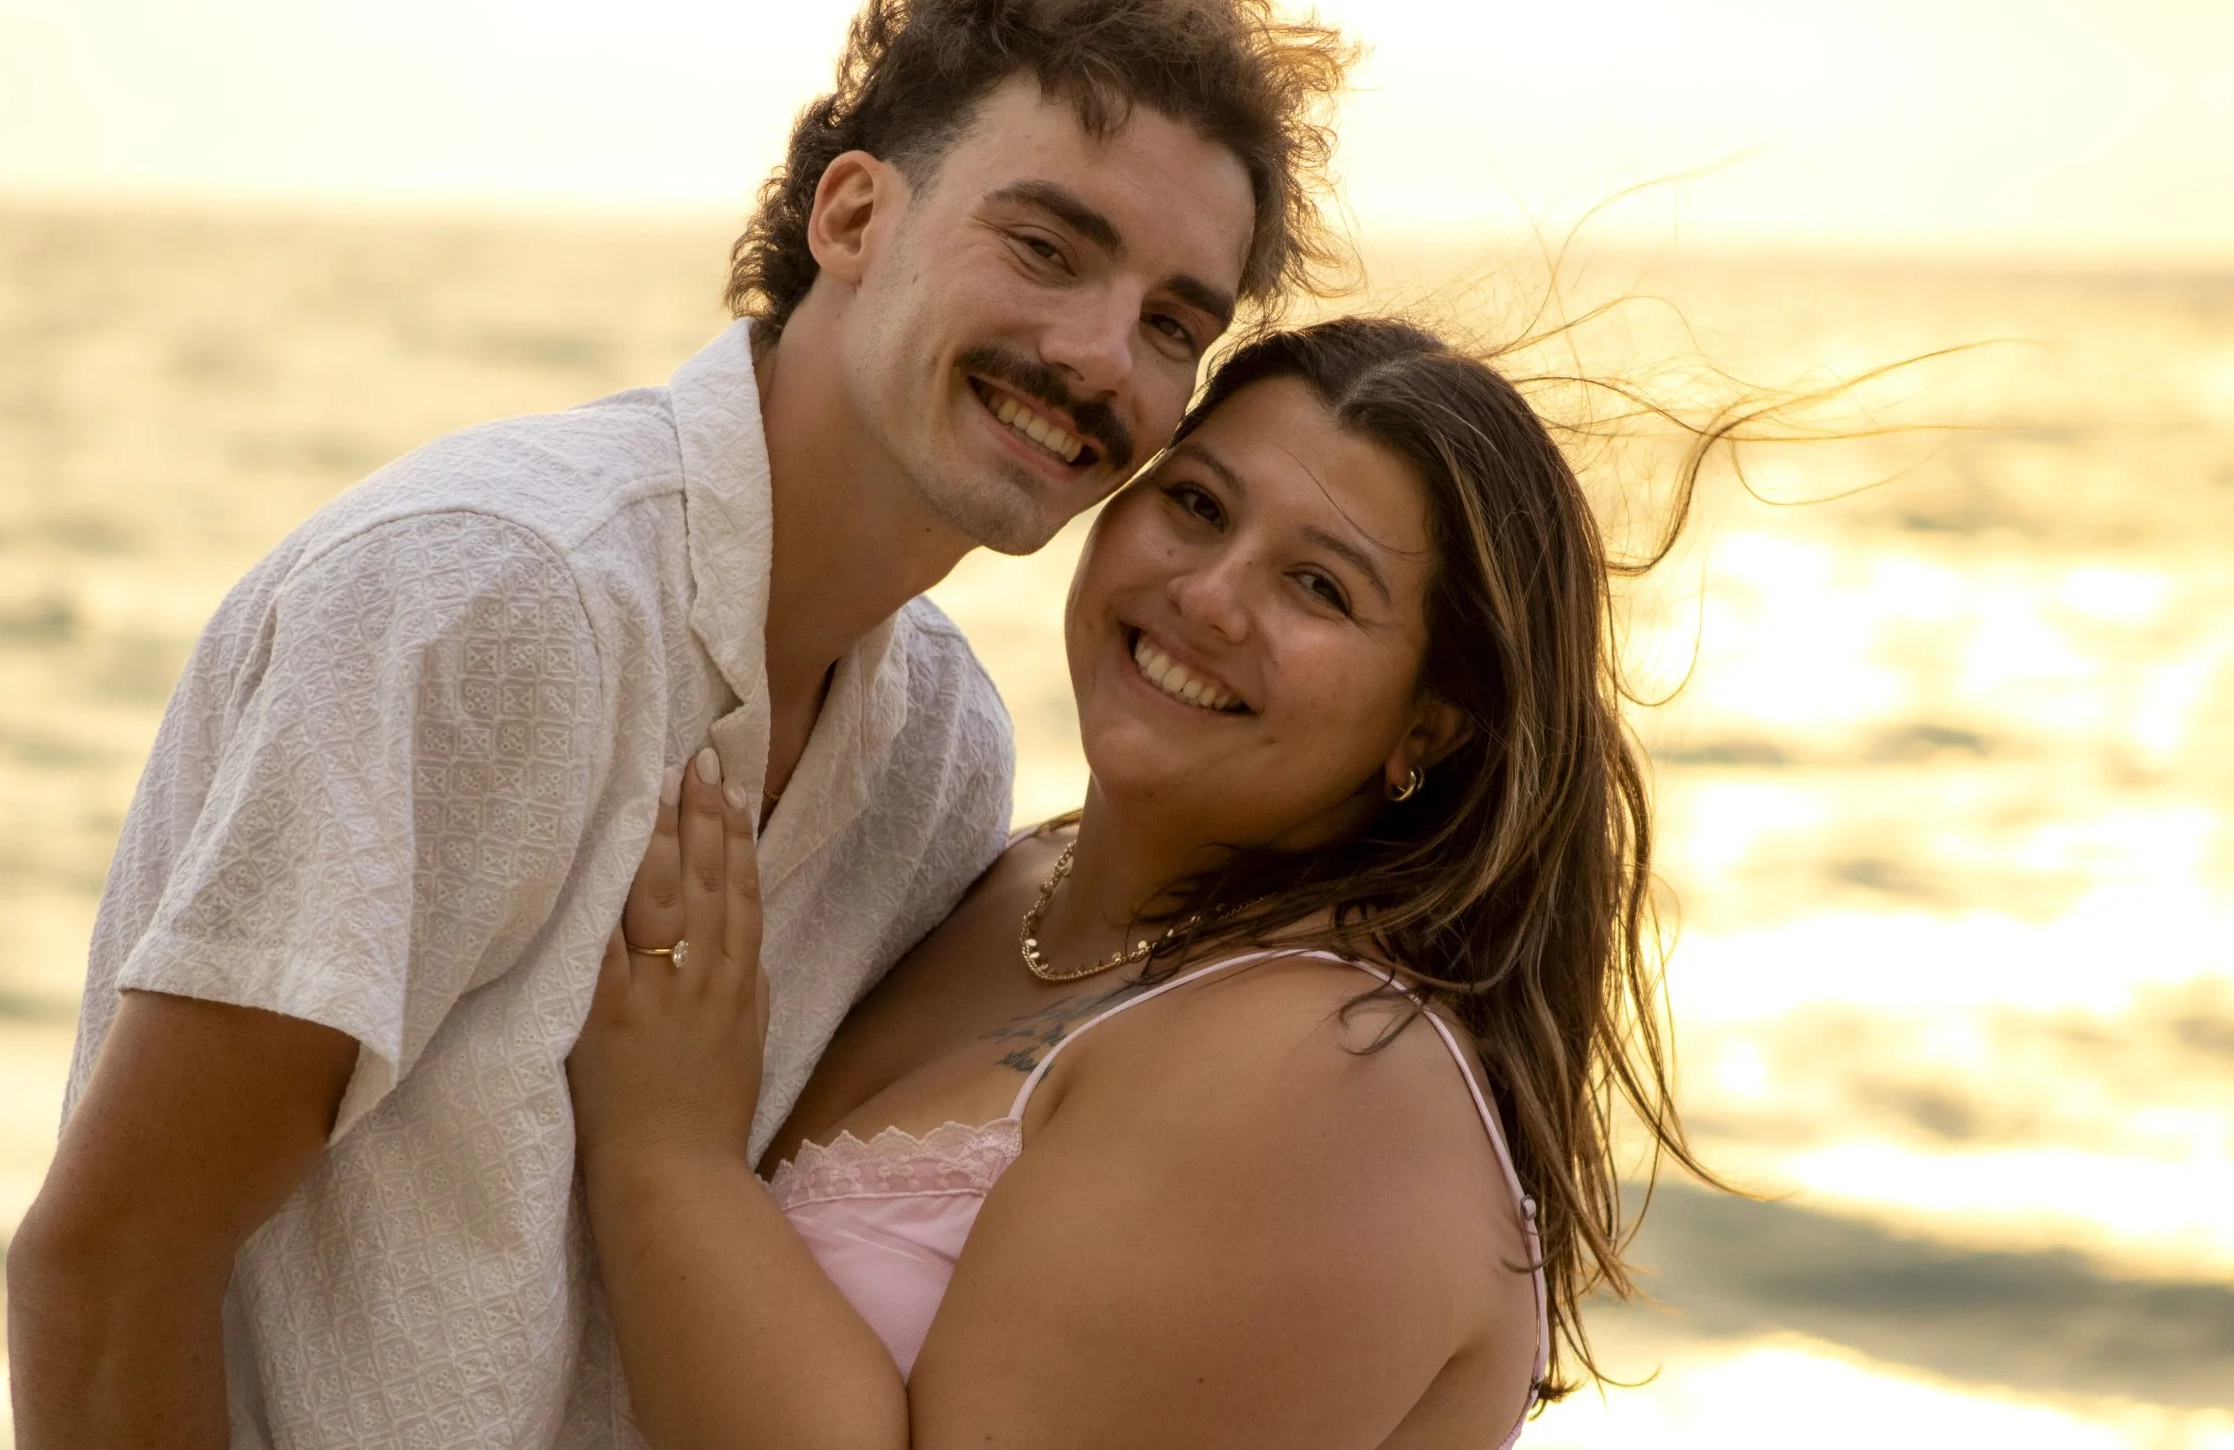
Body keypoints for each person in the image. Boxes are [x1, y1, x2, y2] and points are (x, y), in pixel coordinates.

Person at [6, 0, 1349, 1449]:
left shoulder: (940, 756)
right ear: (852, 219)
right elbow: (108, 1259)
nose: (1106, 356)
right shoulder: (504, 600)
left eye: (1175, 322)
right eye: (1047, 246)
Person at [567, 316, 1710, 1449]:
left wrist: (667, 1155)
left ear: (1431, 722)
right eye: (1197, 504)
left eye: (1318, 584)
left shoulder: (1328, 1068)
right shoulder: (1001, 878)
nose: (1208, 595)